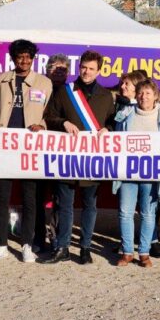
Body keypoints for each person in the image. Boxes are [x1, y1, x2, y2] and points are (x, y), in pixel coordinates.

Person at [41, 50, 116, 265]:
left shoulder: (105, 96)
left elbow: (113, 121)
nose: (86, 72)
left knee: (90, 206)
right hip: (67, 157)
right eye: (84, 67)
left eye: (92, 68)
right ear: (79, 67)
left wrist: (108, 129)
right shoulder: (65, 91)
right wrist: (63, 123)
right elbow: (50, 116)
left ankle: (85, 248)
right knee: (65, 205)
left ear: (99, 71)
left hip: (93, 160)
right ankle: (63, 247)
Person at [0, 39, 53, 264]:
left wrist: (42, 126)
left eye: (27, 57)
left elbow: (49, 114)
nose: (23, 61)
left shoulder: (44, 83)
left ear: (33, 59)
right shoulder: (1, 80)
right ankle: (1, 244)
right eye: (19, 57)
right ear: (13, 58)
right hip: (5, 146)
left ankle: (26, 245)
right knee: (2, 197)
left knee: (30, 199)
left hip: (30, 148)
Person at [113, 79, 160, 268]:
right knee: (125, 212)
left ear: (156, 96)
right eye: (141, 92)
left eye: (148, 93)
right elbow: (116, 141)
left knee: (148, 213)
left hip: (152, 173)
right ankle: (126, 252)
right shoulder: (125, 114)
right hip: (128, 172)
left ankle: (144, 252)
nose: (144, 96)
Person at [42, 53, 71, 252]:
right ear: (47, 70)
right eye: (55, 68)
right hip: (41, 149)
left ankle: (58, 237)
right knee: (40, 196)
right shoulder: (40, 88)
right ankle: (41, 235)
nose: (59, 72)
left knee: (62, 199)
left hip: (65, 152)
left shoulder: (72, 92)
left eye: (63, 69)